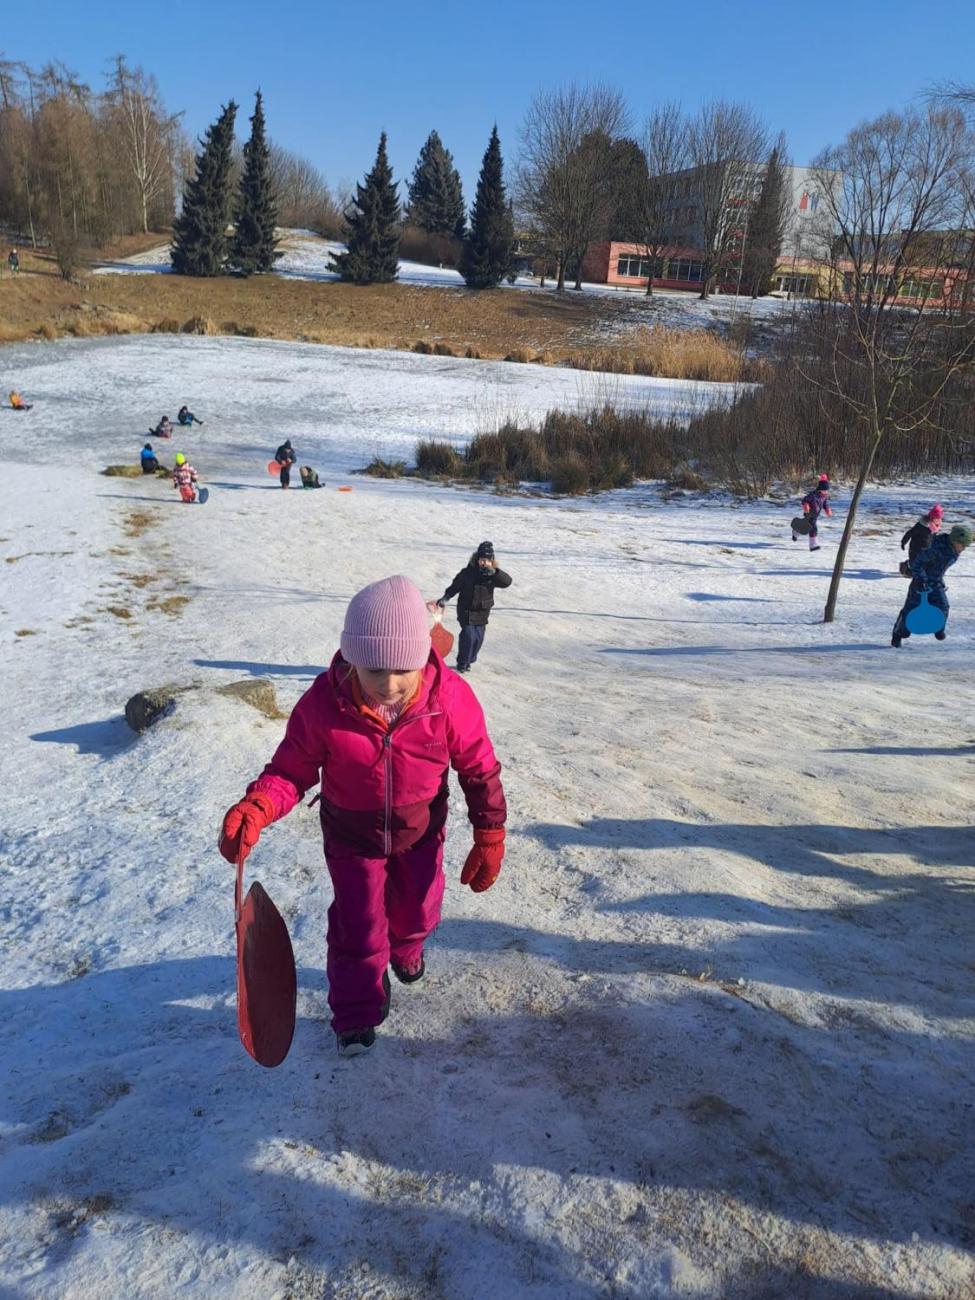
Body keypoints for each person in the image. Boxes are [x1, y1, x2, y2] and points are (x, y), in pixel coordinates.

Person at [218, 575, 507, 1057]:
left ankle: (407, 948)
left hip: (420, 832)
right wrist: (259, 805)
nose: (389, 684)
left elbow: (479, 767)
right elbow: (290, 768)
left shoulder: (448, 699)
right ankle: (356, 1012)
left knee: (416, 911)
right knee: (359, 926)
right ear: (352, 659)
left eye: (403, 669)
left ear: (422, 657)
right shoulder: (325, 703)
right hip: (351, 837)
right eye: (374, 670)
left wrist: (490, 831)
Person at [437, 541, 512, 674]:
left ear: (491, 561)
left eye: (487, 560)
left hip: (483, 612)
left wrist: (495, 573)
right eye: (481, 560)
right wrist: (446, 597)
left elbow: (507, 582)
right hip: (466, 609)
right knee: (468, 636)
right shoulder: (467, 573)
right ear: (477, 559)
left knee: (478, 639)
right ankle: (462, 663)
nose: (483, 563)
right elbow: (455, 586)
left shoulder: (493, 575)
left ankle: (469, 660)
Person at [892, 524, 972, 648]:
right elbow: (916, 563)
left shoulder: (953, 549)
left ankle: (938, 628)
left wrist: (939, 579)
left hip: (936, 582)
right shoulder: (934, 548)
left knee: (943, 605)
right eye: (963, 545)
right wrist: (921, 579)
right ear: (955, 540)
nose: (964, 548)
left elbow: (940, 566)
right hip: (920, 582)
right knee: (911, 609)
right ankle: (898, 634)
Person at [899, 504, 943, 576]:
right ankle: (904, 566)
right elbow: (910, 533)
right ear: (932, 518)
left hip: (926, 548)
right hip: (915, 548)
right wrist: (903, 542)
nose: (938, 520)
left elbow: (933, 538)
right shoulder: (921, 525)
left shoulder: (935, 528)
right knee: (913, 563)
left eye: (940, 518)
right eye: (937, 518)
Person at [792, 474, 832, 551]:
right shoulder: (813, 495)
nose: (826, 492)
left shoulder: (824, 497)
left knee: (805, 526)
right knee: (813, 528)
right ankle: (813, 545)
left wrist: (827, 510)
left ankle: (796, 532)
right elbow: (804, 500)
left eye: (827, 490)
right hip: (809, 514)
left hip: (815, 516)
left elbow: (825, 504)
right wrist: (806, 505)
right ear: (820, 489)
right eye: (824, 490)